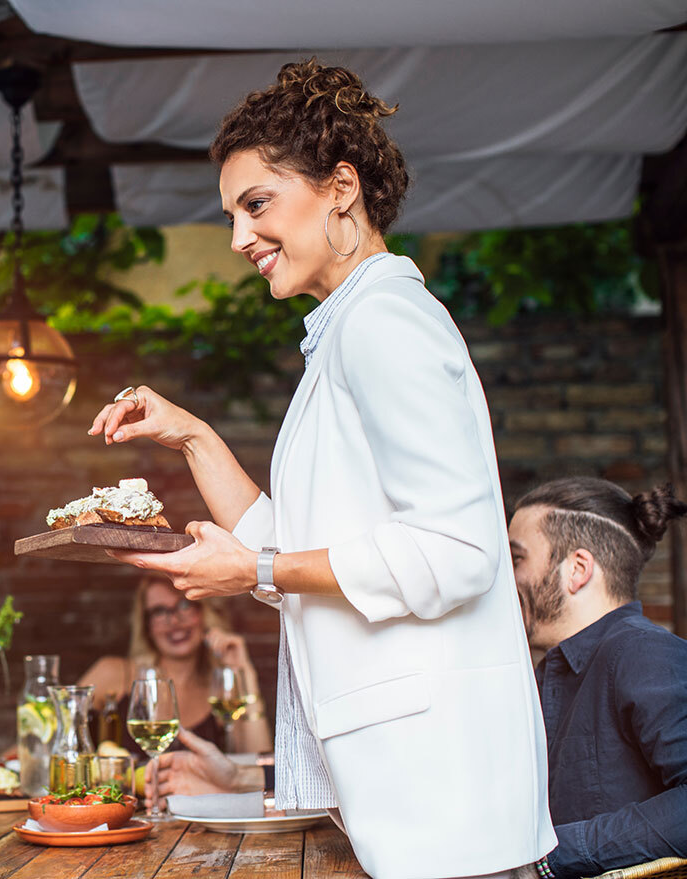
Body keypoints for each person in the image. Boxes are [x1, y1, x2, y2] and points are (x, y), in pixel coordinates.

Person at [89, 58, 554, 878]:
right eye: (232, 214)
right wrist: (193, 437)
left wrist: (254, 567)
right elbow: (296, 552)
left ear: (341, 186)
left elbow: (457, 552)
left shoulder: (386, 324)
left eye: (256, 204)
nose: (238, 238)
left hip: (444, 809)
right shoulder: (344, 333)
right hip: (400, 806)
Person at [509, 477, 687, 877]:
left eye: (516, 559)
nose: (505, 580)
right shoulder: (539, 678)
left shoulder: (643, 653)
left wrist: (547, 857)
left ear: (577, 570)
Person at [77, 574, 272, 754]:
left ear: (204, 614)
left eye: (185, 606)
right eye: (160, 611)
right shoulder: (115, 673)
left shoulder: (219, 691)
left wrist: (244, 672)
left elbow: (259, 761)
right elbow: (58, 724)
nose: (175, 621)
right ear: (147, 626)